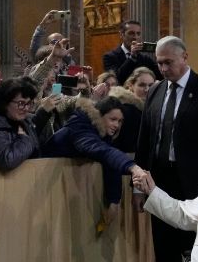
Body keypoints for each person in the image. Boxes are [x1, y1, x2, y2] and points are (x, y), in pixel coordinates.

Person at [134, 35, 198, 262]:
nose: (163, 68)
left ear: (185, 57)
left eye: (168, 62)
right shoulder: (155, 91)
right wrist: (139, 187)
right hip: (160, 183)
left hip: (197, 187)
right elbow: (145, 141)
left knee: (195, 253)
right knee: (163, 253)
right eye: (159, 63)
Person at [44, 96, 147, 226]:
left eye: (120, 121)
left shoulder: (102, 133)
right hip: (43, 183)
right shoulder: (80, 126)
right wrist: (133, 167)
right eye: (113, 119)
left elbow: (109, 162)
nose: (117, 125)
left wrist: (114, 201)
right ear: (99, 115)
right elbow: (103, 151)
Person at [0, 76, 44, 171]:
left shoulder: (26, 121)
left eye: (29, 103)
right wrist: (25, 139)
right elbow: (7, 160)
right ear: (5, 103)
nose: (26, 108)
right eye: (21, 103)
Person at [108, 67, 154, 153]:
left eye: (151, 85)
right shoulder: (127, 109)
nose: (147, 89)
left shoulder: (148, 108)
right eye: (142, 85)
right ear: (131, 86)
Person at [102, 20, 163, 84]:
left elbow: (161, 76)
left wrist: (160, 56)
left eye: (138, 34)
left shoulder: (145, 59)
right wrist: (132, 58)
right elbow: (115, 80)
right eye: (131, 33)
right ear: (121, 35)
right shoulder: (109, 57)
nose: (135, 37)